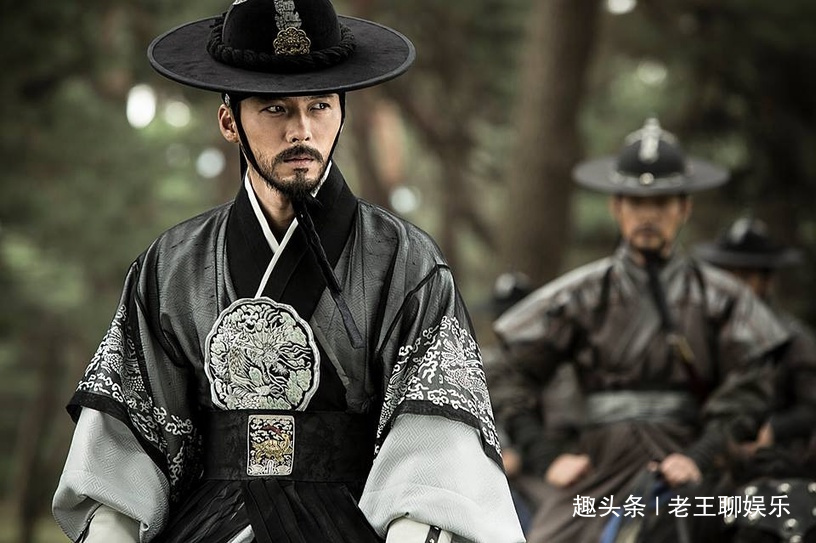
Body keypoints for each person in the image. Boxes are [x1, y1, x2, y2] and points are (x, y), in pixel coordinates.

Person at [51, 1, 525, 542]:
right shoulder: (172, 264)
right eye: (275, 109)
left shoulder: (405, 261)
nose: (302, 130)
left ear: (342, 113)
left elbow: (435, 452)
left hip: (357, 522)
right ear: (229, 121)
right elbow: (126, 448)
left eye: (319, 106)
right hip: (210, 524)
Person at [492, 118, 791, 543]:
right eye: (636, 202)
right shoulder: (579, 296)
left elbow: (752, 385)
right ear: (617, 207)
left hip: (692, 464)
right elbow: (509, 374)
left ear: (684, 208)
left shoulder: (722, 297)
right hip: (599, 473)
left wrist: (701, 454)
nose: (648, 215)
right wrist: (545, 455)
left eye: (662, 202)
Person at [695, 217, 816, 542]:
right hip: (708, 461)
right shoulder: (703, 335)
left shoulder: (793, 339)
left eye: (746, 277)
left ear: (766, 281)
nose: (735, 285)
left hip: (776, 468)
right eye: (728, 275)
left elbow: (811, 405)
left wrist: (775, 430)